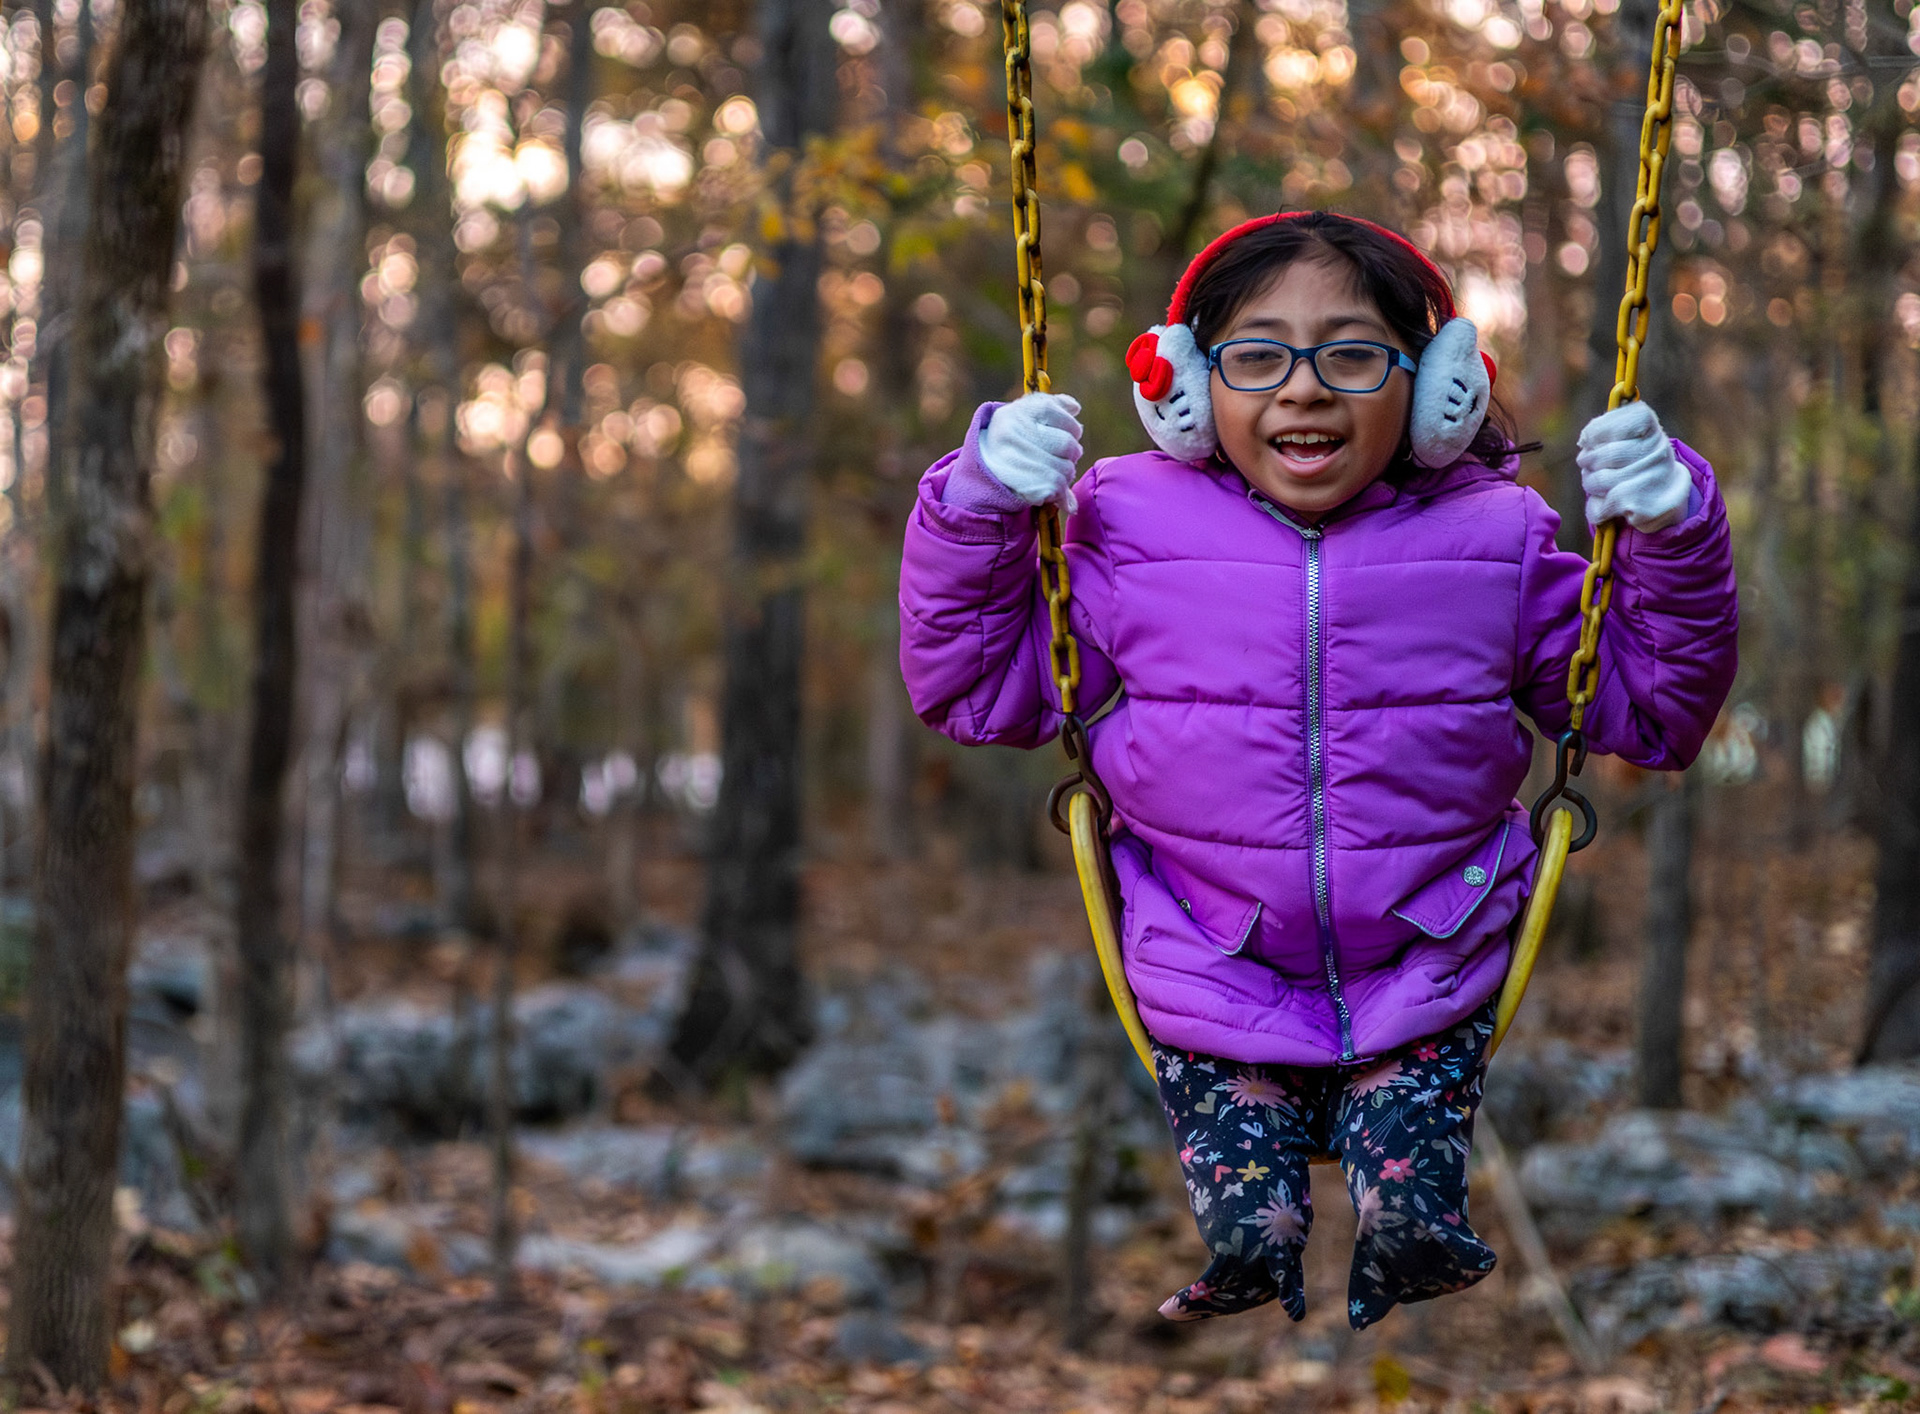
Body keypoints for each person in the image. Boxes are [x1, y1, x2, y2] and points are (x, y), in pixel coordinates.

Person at [897, 210, 1738, 1328]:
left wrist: (1674, 529)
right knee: (1255, 1228)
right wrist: (976, 509)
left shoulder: (1498, 536)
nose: (1303, 390)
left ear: (1441, 389)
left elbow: (1653, 711)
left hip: (1430, 970)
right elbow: (973, 686)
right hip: (1210, 967)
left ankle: (1401, 1266)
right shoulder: (1126, 523)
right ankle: (1255, 1266)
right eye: (1256, 356)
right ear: (1187, 390)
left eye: (1351, 354)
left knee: (1416, 1216)